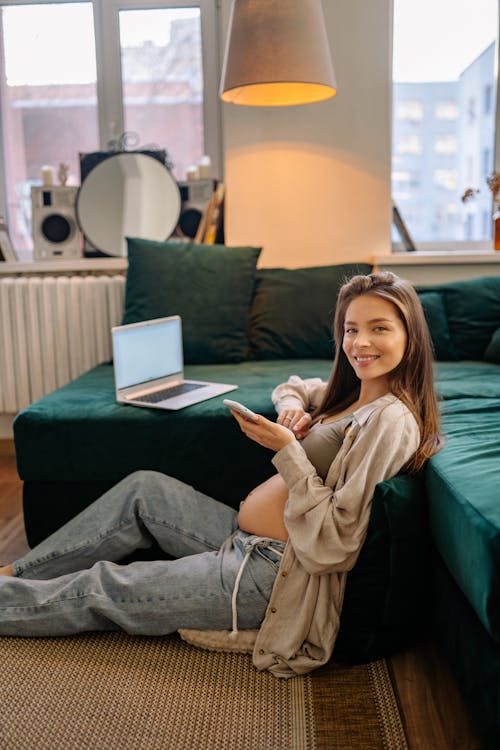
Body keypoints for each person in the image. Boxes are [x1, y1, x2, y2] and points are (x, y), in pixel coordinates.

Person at [0, 271, 442, 678]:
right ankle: (15, 573)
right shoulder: (350, 394)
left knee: (107, 586)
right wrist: (292, 407)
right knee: (144, 489)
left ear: (410, 336)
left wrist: (288, 451)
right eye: (351, 329)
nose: (360, 342)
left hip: (275, 575)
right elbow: (294, 386)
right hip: (245, 539)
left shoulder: (389, 421)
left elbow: (335, 543)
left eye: (379, 328)